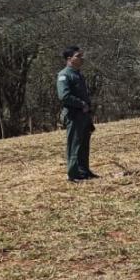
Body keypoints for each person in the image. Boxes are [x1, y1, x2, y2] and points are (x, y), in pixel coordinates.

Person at [56, 46, 97, 182]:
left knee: (84, 145)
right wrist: (81, 104)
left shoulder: (78, 74)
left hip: (84, 116)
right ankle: (73, 174)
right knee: (74, 144)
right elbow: (64, 96)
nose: (81, 58)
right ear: (69, 59)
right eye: (78, 56)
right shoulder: (64, 75)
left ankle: (84, 171)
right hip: (73, 115)